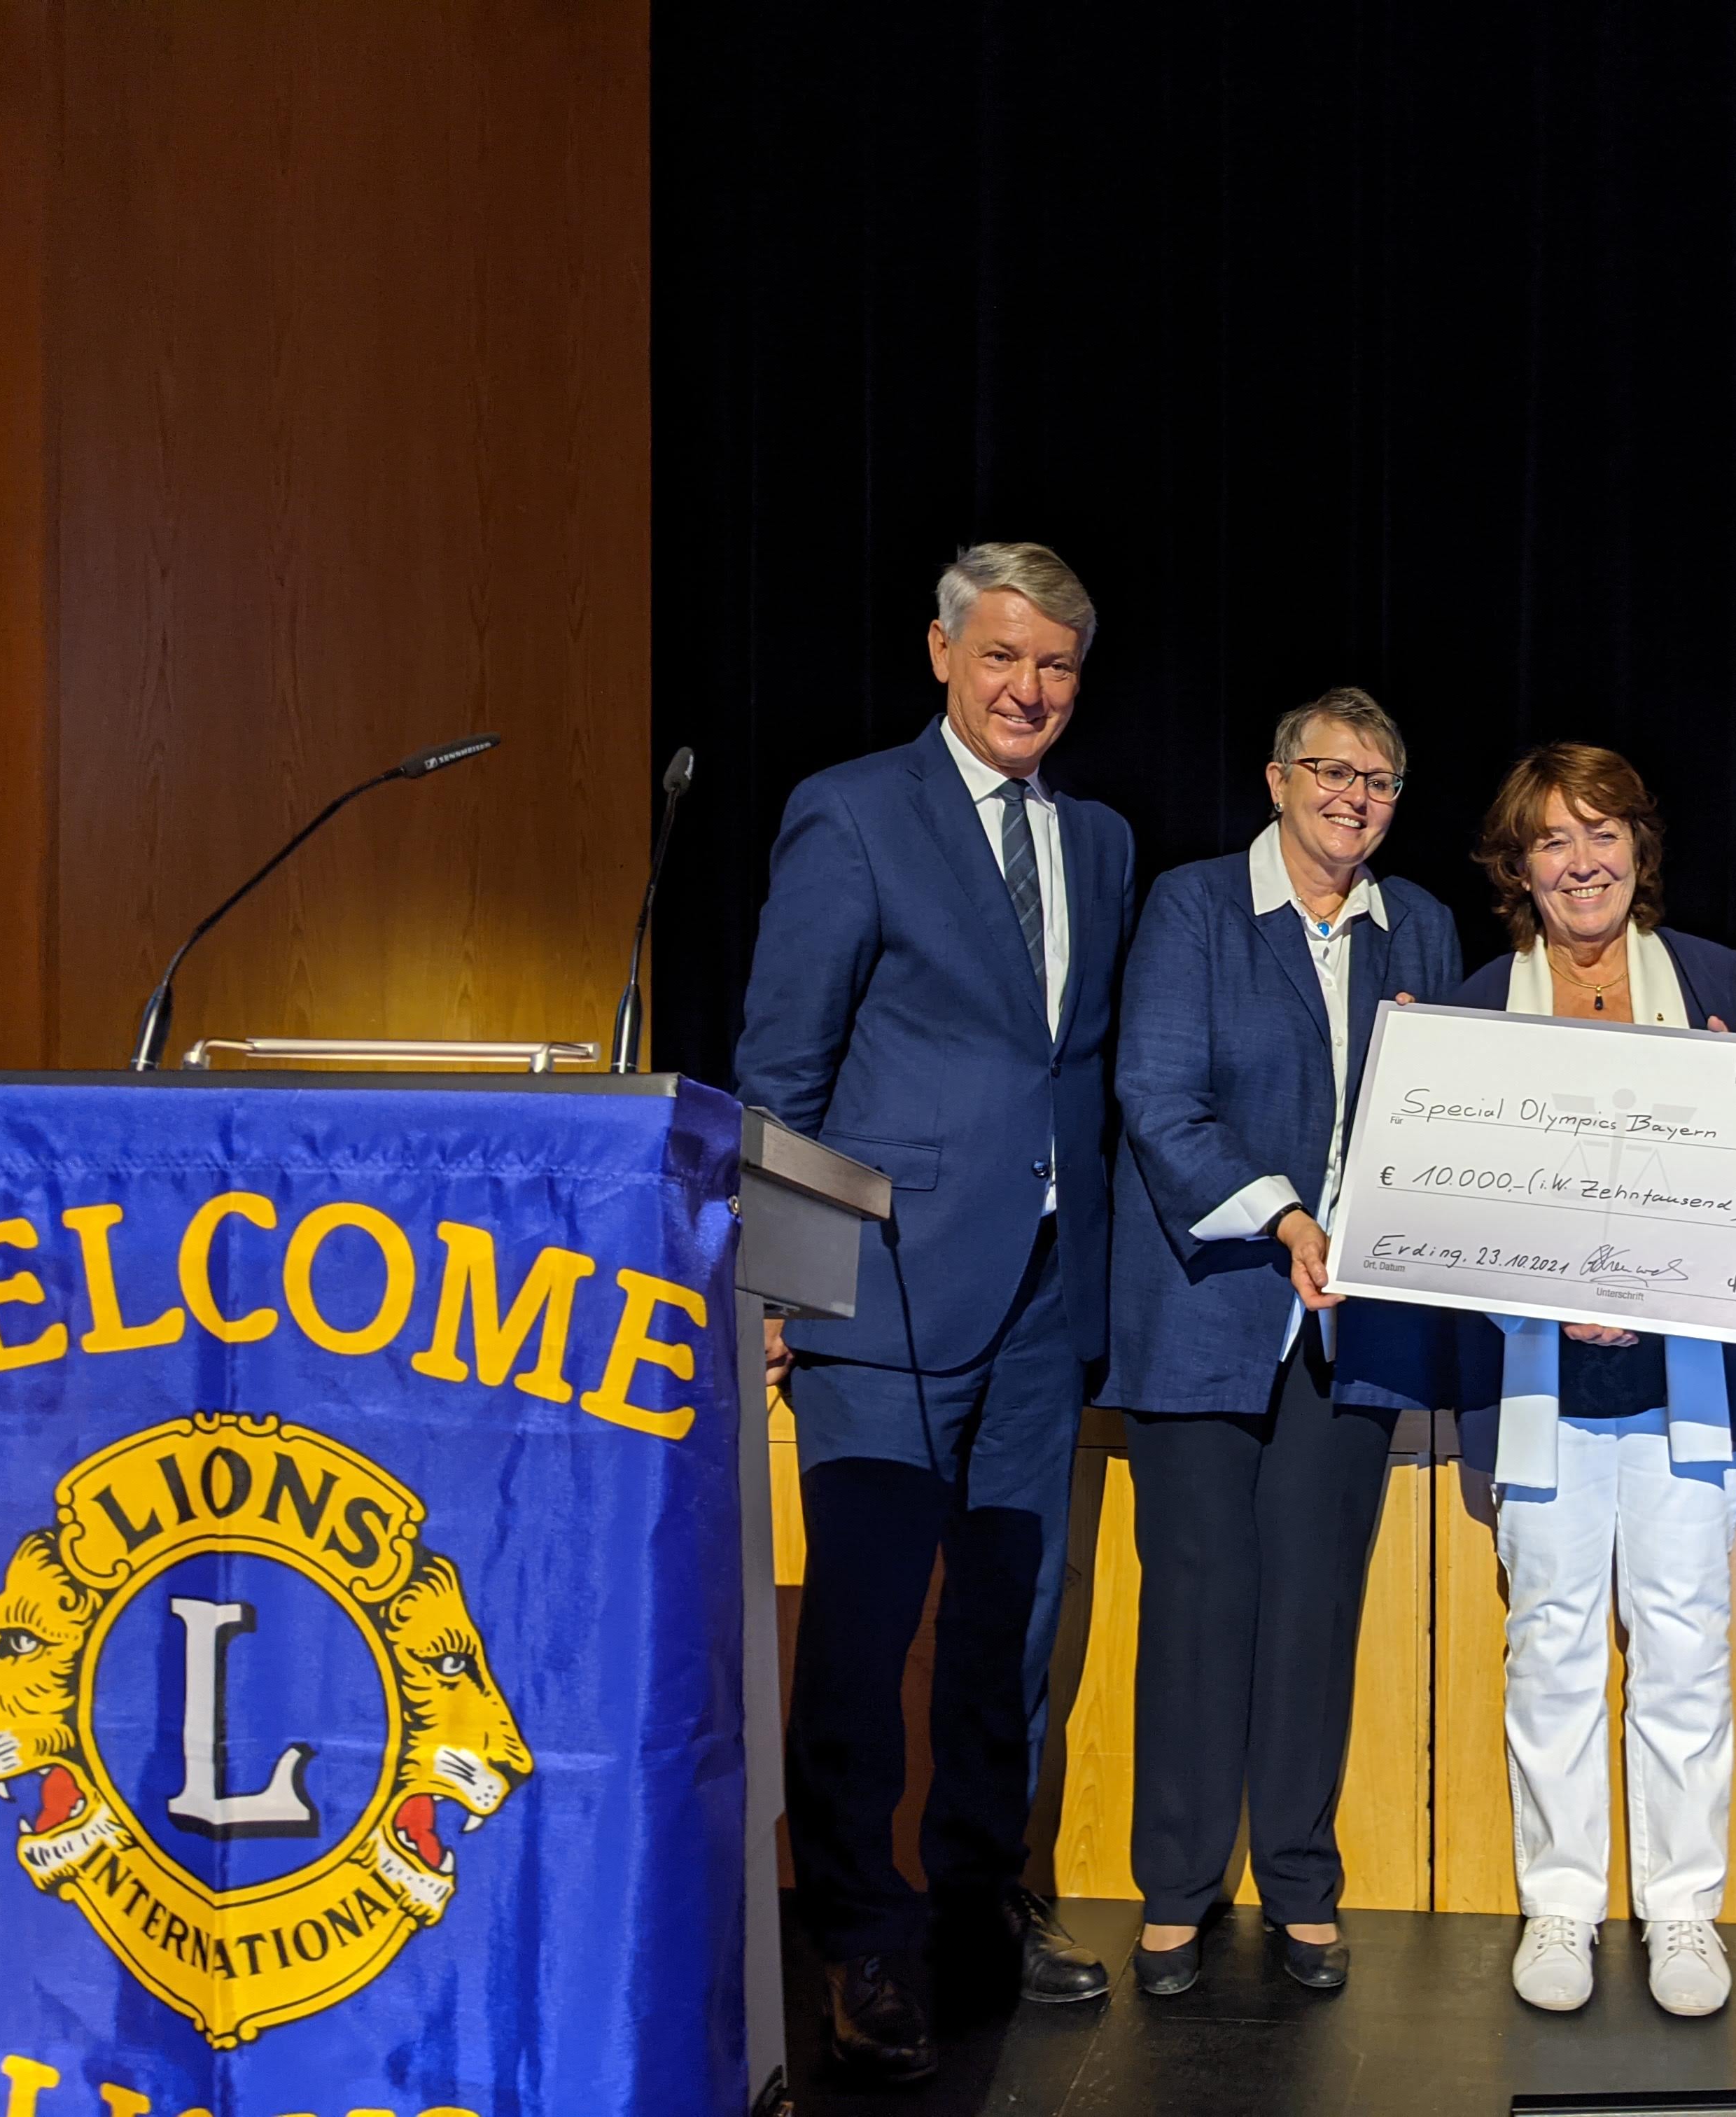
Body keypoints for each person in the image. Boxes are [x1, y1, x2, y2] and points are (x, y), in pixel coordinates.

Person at [735, 542, 1133, 2085]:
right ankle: (862, 1943)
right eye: (1003, 657)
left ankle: (980, 1905)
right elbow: (784, 1066)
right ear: (942, 654)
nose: (1028, 689)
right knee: (862, 1633)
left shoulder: (1094, 839)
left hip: (1043, 1290)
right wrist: (778, 1276)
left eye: (1056, 667)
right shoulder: (851, 813)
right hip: (884, 1290)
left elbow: (1067, 1065)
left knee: (1006, 1631)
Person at [1105, 689, 1462, 1997]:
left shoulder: (1415, 922)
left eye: (1379, 778)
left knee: (1316, 1602)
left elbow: (1442, 1114)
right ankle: (1177, 1890)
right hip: (1206, 1303)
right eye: (1330, 770)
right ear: (1275, 778)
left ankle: (1302, 1882)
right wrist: (1287, 1214)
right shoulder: (1195, 907)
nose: (1354, 795)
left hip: (1350, 1321)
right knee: (1199, 1601)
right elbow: (1157, 1096)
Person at [1453, 743, 1736, 2020]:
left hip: (1686, 1387)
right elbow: (1456, 1200)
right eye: (1552, 841)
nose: (1580, 862)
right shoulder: (1484, 999)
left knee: (1684, 1650)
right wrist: (1538, 1293)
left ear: (1640, 850)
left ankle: (1682, 1913)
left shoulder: (1713, 980)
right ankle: (1558, 1905)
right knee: (1546, 1646)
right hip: (1543, 1385)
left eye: (1602, 835)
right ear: (1519, 867)